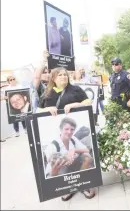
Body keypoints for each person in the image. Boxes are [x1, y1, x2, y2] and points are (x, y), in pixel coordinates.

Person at [37, 67, 95, 201]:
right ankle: (65, 188)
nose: (64, 77)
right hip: (62, 169)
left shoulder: (75, 89)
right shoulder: (47, 93)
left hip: (75, 161)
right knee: (58, 166)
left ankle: (84, 185)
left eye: (65, 74)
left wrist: (76, 104)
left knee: (87, 157)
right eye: (60, 75)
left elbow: (88, 102)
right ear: (53, 78)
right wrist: (47, 109)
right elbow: (37, 111)